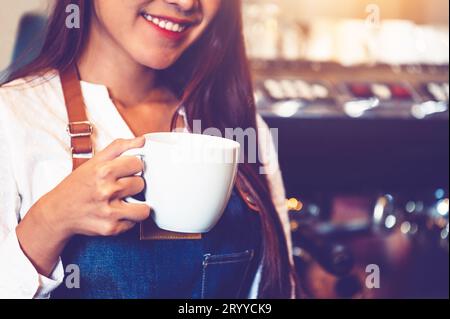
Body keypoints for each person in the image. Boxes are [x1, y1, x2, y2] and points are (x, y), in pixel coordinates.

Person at [0, 0, 295, 299]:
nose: (185, 3)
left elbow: (278, 289)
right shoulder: (12, 116)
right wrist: (50, 221)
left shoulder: (238, 122)